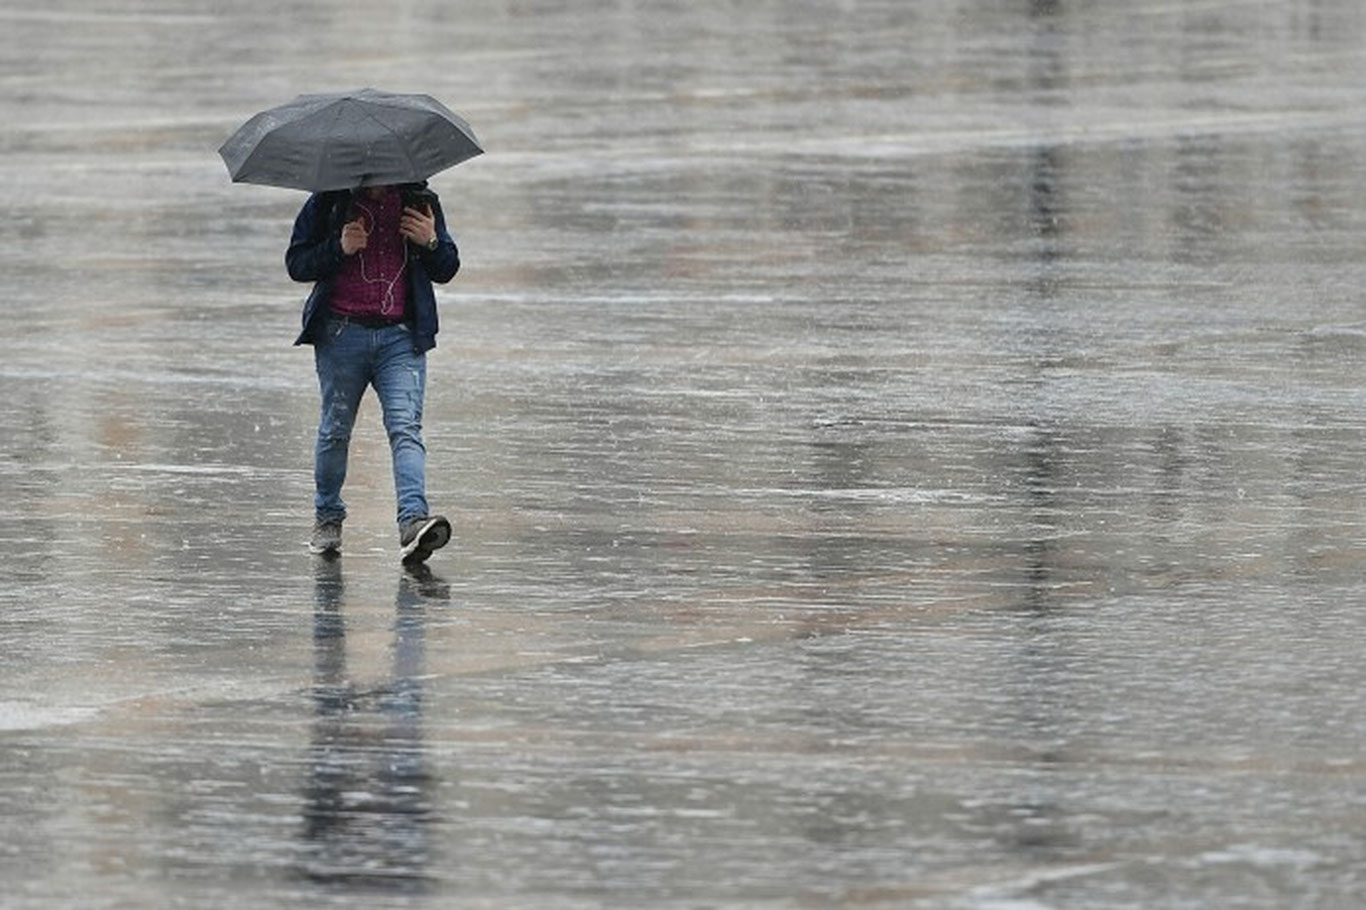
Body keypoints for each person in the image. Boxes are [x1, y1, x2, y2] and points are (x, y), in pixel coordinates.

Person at [286, 181, 459, 564]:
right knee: (335, 430)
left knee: (406, 428)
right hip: (341, 335)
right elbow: (297, 263)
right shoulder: (328, 201)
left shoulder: (420, 201)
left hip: (402, 339)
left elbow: (447, 267)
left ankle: (412, 521)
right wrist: (339, 248)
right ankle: (328, 517)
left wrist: (431, 242)